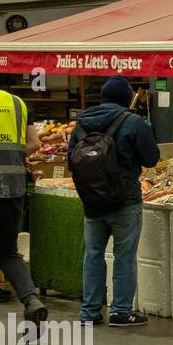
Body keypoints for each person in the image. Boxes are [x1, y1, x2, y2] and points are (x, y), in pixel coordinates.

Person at [70, 76, 161, 327]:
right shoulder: (133, 122)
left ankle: (89, 312)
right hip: (125, 201)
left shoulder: (82, 124)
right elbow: (151, 158)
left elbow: (71, 160)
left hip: (91, 201)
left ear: (103, 98)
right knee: (124, 256)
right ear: (126, 98)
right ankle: (121, 311)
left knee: (93, 255)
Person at [0, 63, 48, 323]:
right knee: (7, 251)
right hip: (11, 189)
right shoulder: (17, 103)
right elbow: (34, 143)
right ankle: (31, 300)